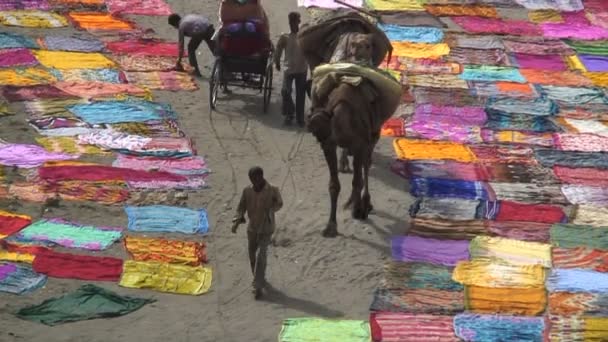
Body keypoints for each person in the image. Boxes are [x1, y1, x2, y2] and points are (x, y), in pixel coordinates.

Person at [232, 166, 283, 299]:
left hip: (266, 229)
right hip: (252, 229)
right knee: (252, 256)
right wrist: (237, 220)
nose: (254, 181)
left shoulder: (273, 189)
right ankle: (259, 278)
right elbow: (241, 207)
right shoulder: (247, 191)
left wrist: (272, 207)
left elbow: (280, 203)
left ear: (261, 177)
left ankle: (257, 285)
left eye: (256, 178)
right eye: (252, 179)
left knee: (261, 254)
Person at [274, 12, 308, 127]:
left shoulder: (304, 36)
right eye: (291, 22)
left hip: (301, 69)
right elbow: (278, 50)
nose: (293, 24)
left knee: (300, 95)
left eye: (295, 22)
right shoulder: (285, 37)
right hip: (288, 69)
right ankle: (290, 113)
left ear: (298, 22)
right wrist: (277, 61)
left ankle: (300, 118)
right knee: (285, 91)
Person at [168, 13, 215, 77]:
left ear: (175, 24)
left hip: (200, 31)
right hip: (209, 27)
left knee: (191, 48)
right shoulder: (187, 17)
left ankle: (195, 71)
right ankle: (225, 69)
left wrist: (179, 61)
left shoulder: (181, 26)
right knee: (215, 50)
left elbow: (181, 45)